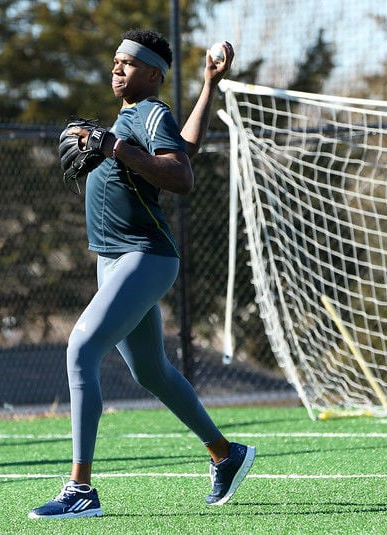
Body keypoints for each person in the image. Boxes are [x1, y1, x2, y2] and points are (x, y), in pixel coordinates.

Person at [28, 28, 254, 520]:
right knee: (150, 371)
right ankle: (224, 453)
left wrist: (117, 150)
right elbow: (186, 146)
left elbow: (181, 176)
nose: (116, 68)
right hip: (114, 260)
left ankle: (80, 490)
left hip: (144, 257)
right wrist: (210, 85)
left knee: (82, 349)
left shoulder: (148, 113)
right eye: (114, 62)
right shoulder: (135, 118)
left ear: (152, 74)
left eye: (127, 63)